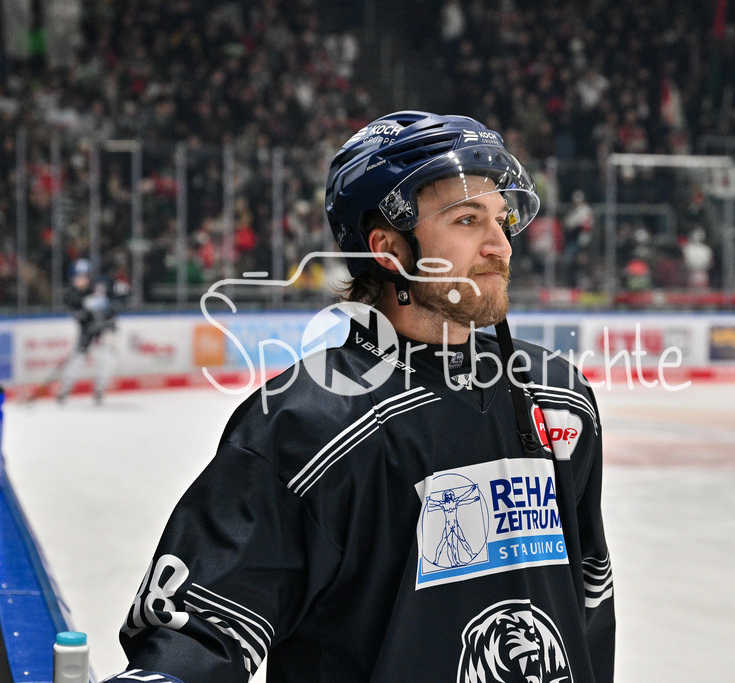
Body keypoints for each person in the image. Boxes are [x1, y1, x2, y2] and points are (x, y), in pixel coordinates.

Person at [103, 111, 615, 682]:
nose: (501, 244)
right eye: (469, 220)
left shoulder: (559, 397)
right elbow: (200, 633)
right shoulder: (307, 423)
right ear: (389, 250)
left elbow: (587, 598)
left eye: (503, 218)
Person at [57, 259, 124, 404]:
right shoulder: (72, 295)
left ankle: (100, 387)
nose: (79, 281)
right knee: (79, 357)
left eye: (83, 277)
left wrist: (109, 317)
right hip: (87, 329)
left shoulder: (102, 285)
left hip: (104, 328)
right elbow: (79, 314)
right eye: (77, 278)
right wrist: (87, 319)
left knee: (106, 354)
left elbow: (118, 300)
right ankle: (66, 388)